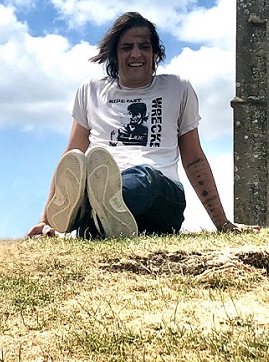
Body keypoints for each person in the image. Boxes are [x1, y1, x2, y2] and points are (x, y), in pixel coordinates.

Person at [28, 12, 255, 238]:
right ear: (115, 55)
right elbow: (71, 159)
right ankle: (99, 217)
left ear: (155, 54)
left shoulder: (178, 89)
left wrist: (222, 222)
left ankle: (90, 211)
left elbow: (194, 159)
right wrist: (45, 220)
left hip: (161, 193)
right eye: (127, 47)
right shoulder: (91, 90)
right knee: (87, 170)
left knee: (145, 176)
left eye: (144, 46)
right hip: (104, 181)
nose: (136, 54)